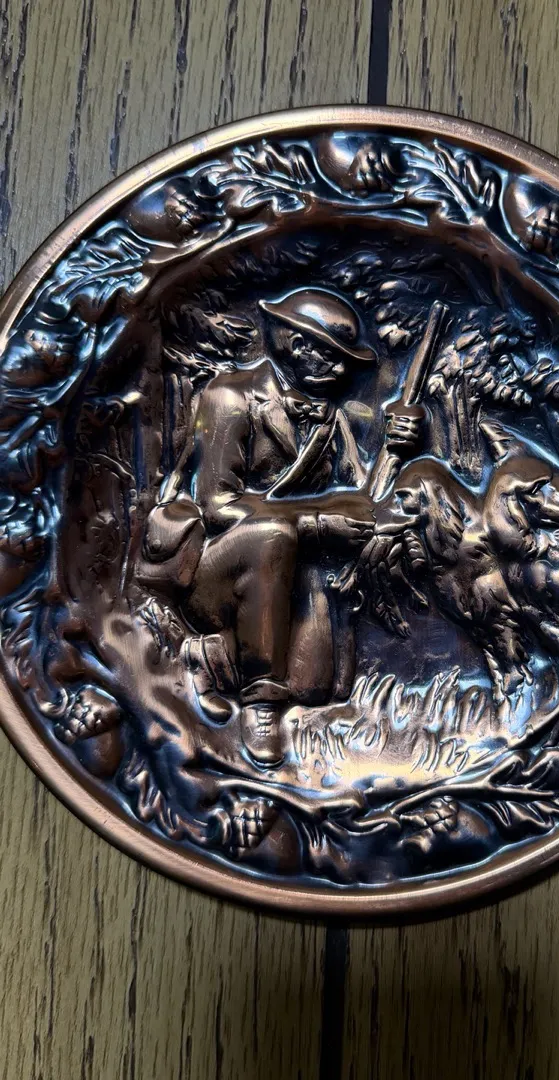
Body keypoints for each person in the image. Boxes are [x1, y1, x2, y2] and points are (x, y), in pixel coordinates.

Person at [155, 287, 423, 764]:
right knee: (273, 535)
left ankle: (209, 658)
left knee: (315, 686)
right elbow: (218, 508)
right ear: (299, 346)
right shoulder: (230, 396)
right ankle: (260, 702)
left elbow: (361, 503)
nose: (341, 373)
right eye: (333, 358)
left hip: (289, 574)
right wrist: (316, 526)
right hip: (216, 574)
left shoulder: (331, 418)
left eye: (346, 363)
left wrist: (394, 451)